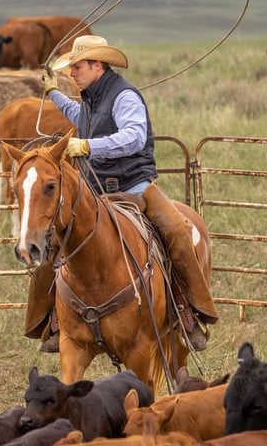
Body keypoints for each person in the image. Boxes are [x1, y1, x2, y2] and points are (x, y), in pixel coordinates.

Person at [23, 34, 218, 353]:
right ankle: (55, 320)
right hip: (95, 189)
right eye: (70, 68)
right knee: (54, 241)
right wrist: (54, 93)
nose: (72, 73)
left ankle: (187, 313)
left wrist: (87, 146)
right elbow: (82, 119)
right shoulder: (90, 96)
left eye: (77, 67)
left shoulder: (125, 96)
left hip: (135, 186)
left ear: (97, 65)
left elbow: (133, 138)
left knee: (177, 232)